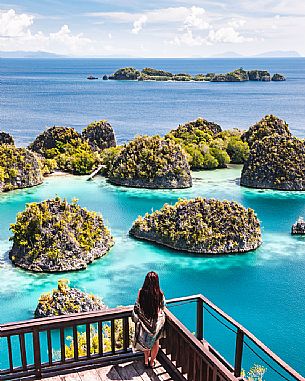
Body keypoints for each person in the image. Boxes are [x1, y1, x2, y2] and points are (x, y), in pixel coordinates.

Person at [132, 271, 166, 368]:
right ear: (157, 282)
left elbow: (137, 306)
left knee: (145, 342)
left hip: (144, 322)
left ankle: (146, 361)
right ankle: (152, 362)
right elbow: (163, 307)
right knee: (155, 342)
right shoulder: (159, 293)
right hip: (155, 323)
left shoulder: (141, 292)